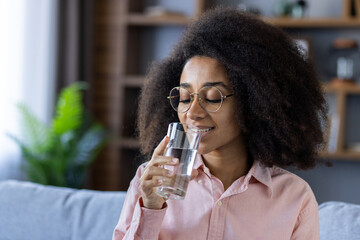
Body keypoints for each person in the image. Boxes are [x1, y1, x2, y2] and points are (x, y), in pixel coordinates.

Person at [113, 8, 327, 240]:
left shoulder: (295, 197)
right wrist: (150, 210)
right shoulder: (151, 182)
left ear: (254, 102)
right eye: (185, 98)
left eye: (213, 97)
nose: (192, 113)